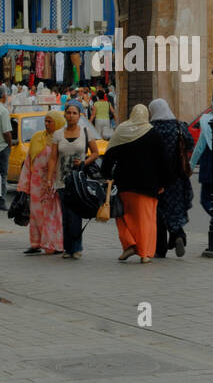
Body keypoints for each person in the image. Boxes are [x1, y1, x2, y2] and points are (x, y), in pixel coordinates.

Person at [99, 104, 169, 265]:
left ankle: (129, 243)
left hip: (125, 183)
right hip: (148, 185)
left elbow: (109, 155)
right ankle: (144, 254)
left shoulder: (122, 130)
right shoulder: (153, 133)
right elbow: (163, 161)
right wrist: (163, 182)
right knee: (146, 219)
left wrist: (106, 174)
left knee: (122, 215)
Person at [148, 98, 194, 259]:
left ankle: (160, 249)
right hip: (178, 177)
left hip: (158, 178)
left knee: (159, 212)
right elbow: (189, 143)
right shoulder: (179, 126)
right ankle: (178, 234)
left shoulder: (151, 129)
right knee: (176, 208)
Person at [16, 112, 64, 256]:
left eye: (50, 122)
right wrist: (25, 183)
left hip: (52, 183)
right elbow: (28, 161)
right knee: (35, 214)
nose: (47, 124)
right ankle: (35, 243)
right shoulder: (37, 137)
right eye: (46, 121)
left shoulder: (61, 139)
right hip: (36, 183)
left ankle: (53, 244)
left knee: (52, 215)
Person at [54, 102, 97, 259]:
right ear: (64, 115)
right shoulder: (58, 134)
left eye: (74, 113)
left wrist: (84, 162)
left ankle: (77, 247)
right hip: (62, 181)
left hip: (78, 181)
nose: (71, 116)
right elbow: (53, 158)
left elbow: (95, 153)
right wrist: (49, 178)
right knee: (65, 215)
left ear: (79, 116)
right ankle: (67, 248)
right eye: (68, 113)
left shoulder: (86, 132)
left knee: (76, 214)